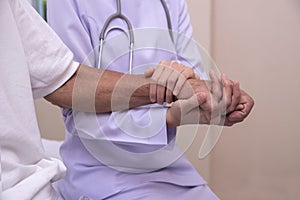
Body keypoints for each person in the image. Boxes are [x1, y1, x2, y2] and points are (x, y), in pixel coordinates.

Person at [0, 0, 240, 199]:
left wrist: (216, 101)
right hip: (100, 173)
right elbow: (79, 111)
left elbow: (192, 85)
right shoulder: (66, 3)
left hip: (171, 169)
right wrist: (168, 112)